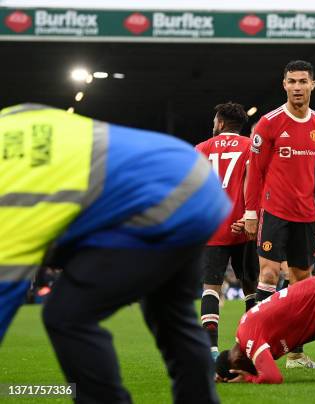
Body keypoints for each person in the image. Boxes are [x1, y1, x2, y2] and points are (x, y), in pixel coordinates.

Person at [0, 103, 230, 403]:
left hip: (161, 202)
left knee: (67, 314)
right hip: (196, 179)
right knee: (171, 314)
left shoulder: (12, 199)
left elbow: (4, 293)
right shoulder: (11, 119)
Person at [243, 60, 315, 368]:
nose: (298, 87)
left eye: (303, 81)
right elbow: (256, 172)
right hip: (274, 211)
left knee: (302, 281)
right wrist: (251, 211)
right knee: (268, 274)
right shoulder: (269, 123)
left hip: (306, 215)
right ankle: (256, 349)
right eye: (292, 81)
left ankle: (296, 354)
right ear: (284, 84)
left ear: (312, 85)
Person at [195, 102, 259, 360]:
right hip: (245, 226)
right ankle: (252, 346)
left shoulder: (201, 149)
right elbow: (255, 184)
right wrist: (248, 216)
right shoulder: (249, 146)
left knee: (211, 289)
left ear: (220, 123)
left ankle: (210, 350)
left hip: (213, 228)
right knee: (252, 288)